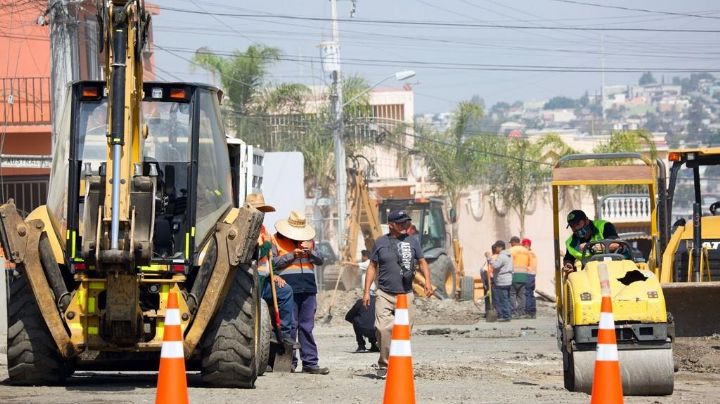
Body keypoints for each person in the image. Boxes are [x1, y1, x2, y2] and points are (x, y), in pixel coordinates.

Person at [362, 209, 433, 379]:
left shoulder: (412, 241)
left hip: (406, 294)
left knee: (404, 332)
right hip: (384, 293)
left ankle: (401, 365)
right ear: (391, 225)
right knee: (382, 328)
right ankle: (385, 365)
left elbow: (422, 261)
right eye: (401, 223)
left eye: (406, 223)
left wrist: (428, 282)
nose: (404, 225)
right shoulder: (380, 242)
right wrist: (366, 292)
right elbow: (372, 267)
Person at [272, 211, 329, 375]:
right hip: (288, 289)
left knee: (307, 327)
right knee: (290, 326)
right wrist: (292, 255)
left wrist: (310, 252)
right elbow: (272, 263)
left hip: (308, 287)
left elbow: (320, 260)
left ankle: (310, 363)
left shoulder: (309, 241)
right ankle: (289, 362)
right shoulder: (276, 239)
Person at [246, 193, 297, 350]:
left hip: (265, 279)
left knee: (285, 291)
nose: (262, 214)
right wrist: (267, 245)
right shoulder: (246, 228)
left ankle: (285, 334)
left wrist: (274, 274)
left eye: (263, 211)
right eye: (259, 210)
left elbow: (268, 260)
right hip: (250, 280)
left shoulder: (262, 230)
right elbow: (253, 254)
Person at [563, 209, 619, 274]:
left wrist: (591, 247)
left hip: (612, 267)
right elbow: (568, 259)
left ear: (586, 220)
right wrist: (568, 265)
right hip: (589, 274)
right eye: (572, 226)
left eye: (578, 224)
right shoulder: (571, 243)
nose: (576, 228)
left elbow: (616, 244)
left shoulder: (604, 226)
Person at [485, 240, 513, 322]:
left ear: (500, 247)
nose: (495, 248)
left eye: (496, 247)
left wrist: (489, 258)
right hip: (508, 279)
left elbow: (495, 265)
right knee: (507, 299)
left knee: (503, 299)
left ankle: (506, 316)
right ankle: (508, 314)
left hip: (502, 280)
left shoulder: (502, 256)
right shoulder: (509, 255)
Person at [508, 236, 530, 318]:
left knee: (512, 294)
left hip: (514, 275)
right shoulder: (526, 250)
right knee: (522, 295)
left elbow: (507, 262)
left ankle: (513, 312)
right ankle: (521, 311)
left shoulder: (510, 250)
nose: (510, 244)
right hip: (524, 274)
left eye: (511, 243)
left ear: (513, 242)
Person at [522, 238, 538, 319]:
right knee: (531, 294)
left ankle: (528, 312)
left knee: (527, 293)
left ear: (526, 245)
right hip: (532, 275)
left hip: (528, 275)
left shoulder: (527, 254)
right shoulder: (533, 253)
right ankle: (532, 312)